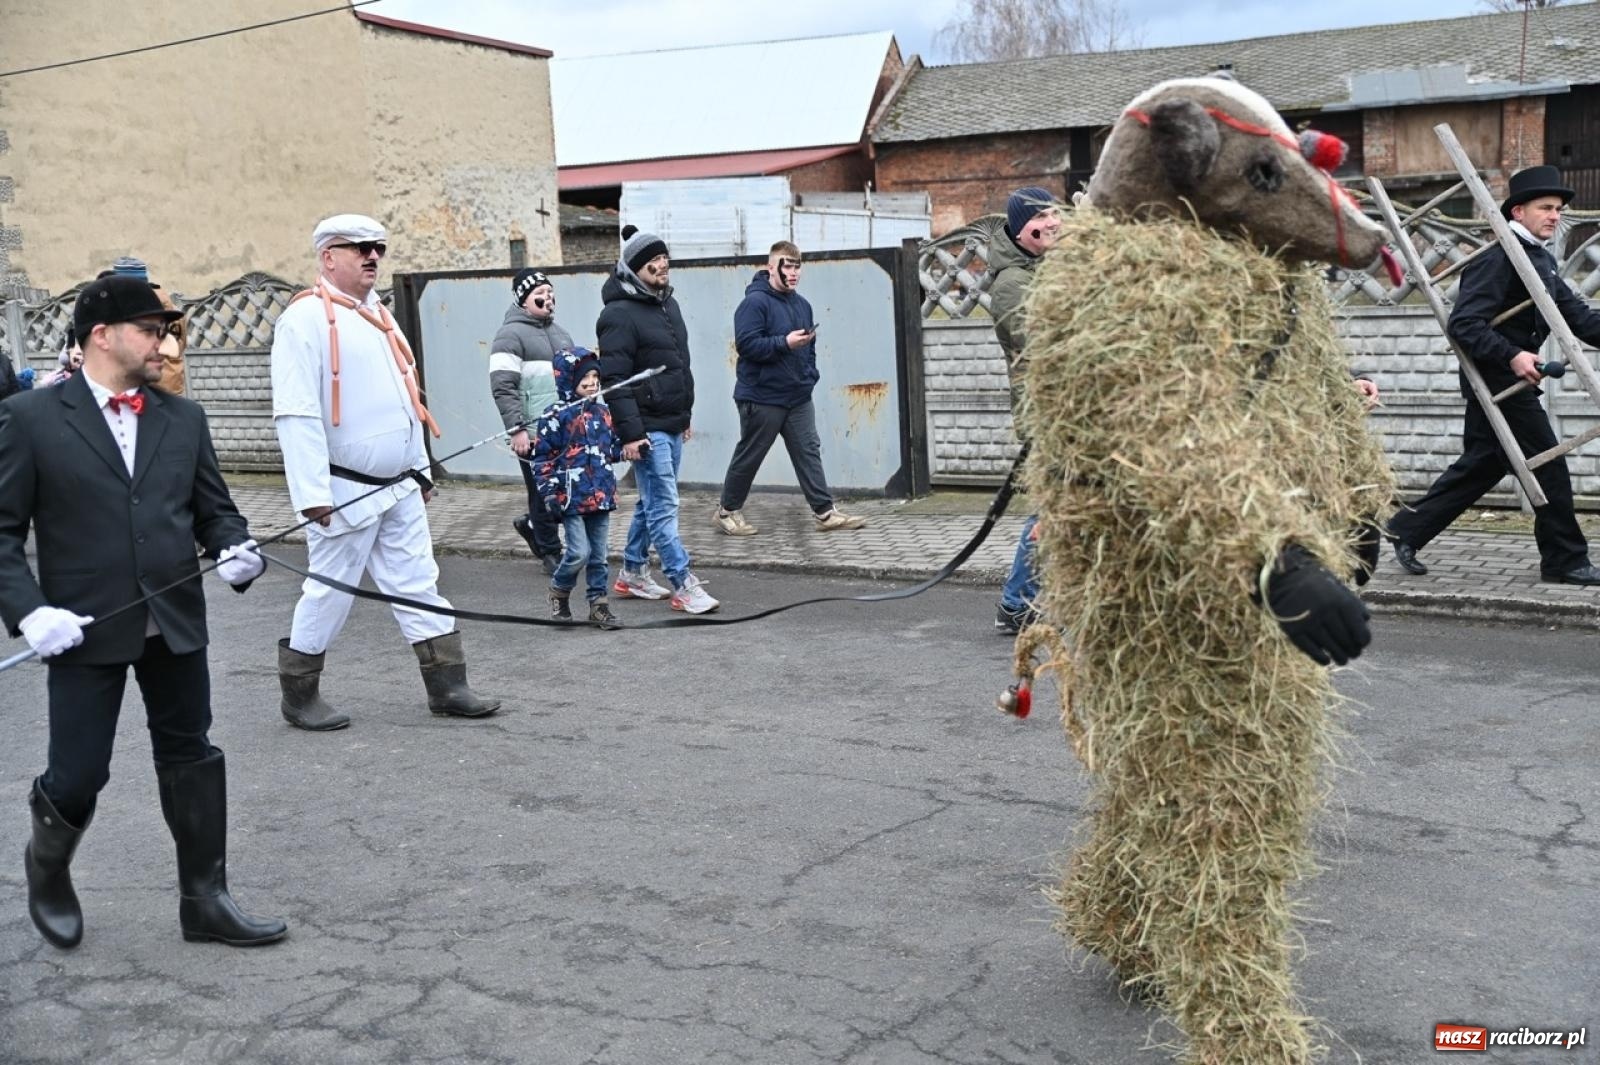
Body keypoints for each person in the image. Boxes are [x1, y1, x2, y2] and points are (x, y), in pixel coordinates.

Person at [0, 274, 286, 949]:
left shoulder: (183, 418)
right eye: (152, 330)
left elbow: (214, 511)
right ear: (102, 333)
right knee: (78, 774)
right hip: (81, 626)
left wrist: (235, 546)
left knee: (191, 752)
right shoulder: (30, 419)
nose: (165, 343)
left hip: (175, 618)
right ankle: (47, 866)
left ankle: (205, 900)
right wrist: (31, 610)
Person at [270, 213, 501, 730]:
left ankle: (448, 685)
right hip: (342, 491)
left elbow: (407, 399)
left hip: (398, 487)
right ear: (328, 257)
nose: (372, 256)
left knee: (419, 581)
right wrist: (310, 494)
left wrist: (419, 468)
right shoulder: (303, 320)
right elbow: (296, 411)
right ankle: (299, 695)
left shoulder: (379, 315)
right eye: (359, 248)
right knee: (330, 590)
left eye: (377, 247)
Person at [1388, 165, 1600, 586]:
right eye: (1545, 207)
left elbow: (1576, 316)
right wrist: (1513, 356)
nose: (1555, 216)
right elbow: (1464, 324)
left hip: (1509, 383)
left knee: (1482, 466)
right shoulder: (1497, 258)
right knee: (1549, 466)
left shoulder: (1538, 258)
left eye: (1558, 209)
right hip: (1500, 382)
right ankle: (1564, 561)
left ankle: (1403, 530)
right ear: (1517, 212)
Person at [598, 226, 719, 614]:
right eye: (653, 265)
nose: (662, 270)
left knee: (651, 503)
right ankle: (682, 583)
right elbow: (614, 381)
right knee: (664, 503)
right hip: (645, 427)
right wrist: (631, 434)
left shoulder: (668, 304)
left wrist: (684, 415)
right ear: (634, 270)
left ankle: (632, 572)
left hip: (670, 421)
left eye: (665, 263)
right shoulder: (617, 315)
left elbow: (678, 366)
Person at [712, 242, 867, 536]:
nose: (793, 273)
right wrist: (784, 343)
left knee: (809, 451)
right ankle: (726, 512)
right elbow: (746, 345)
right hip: (761, 397)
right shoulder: (754, 303)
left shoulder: (802, 304)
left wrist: (809, 376)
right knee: (751, 454)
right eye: (787, 266)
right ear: (771, 267)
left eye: (797, 266)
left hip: (797, 396)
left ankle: (825, 512)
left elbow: (809, 349)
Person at [989, 186, 1062, 633]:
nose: (1055, 221)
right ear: (1023, 229)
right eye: (1045, 216)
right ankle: (1017, 602)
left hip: (1070, 409)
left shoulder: (1046, 267)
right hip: (1045, 412)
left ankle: (1025, 599)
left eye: (1057, 212)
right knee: (1052, 510)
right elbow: (1038, 342)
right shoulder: (1010, 285)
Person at [534, 348, 623, 626]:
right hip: (571, 496)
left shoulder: (603, 413)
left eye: (596, 375)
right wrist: (549, 492)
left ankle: (598, 605)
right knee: (578, 552)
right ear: (567, 379)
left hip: (601, 494)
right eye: (585, 377)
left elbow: (612, 450)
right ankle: (559, 591)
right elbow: (542, 459)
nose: (592, 381)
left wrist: (633, 448)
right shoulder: (555, 416)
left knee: (599, 555)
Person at [489, 268, 570, 574]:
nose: (548, 298)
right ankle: (551, 552)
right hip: (534, 431)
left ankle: (533, 525)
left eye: (551, 293)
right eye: (540, 293)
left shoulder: (561, 333)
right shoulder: (509, 335)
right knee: (541, 491)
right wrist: (517, 429)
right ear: (524, 298)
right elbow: (503, 386)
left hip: (563, 428)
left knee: (566, 489)